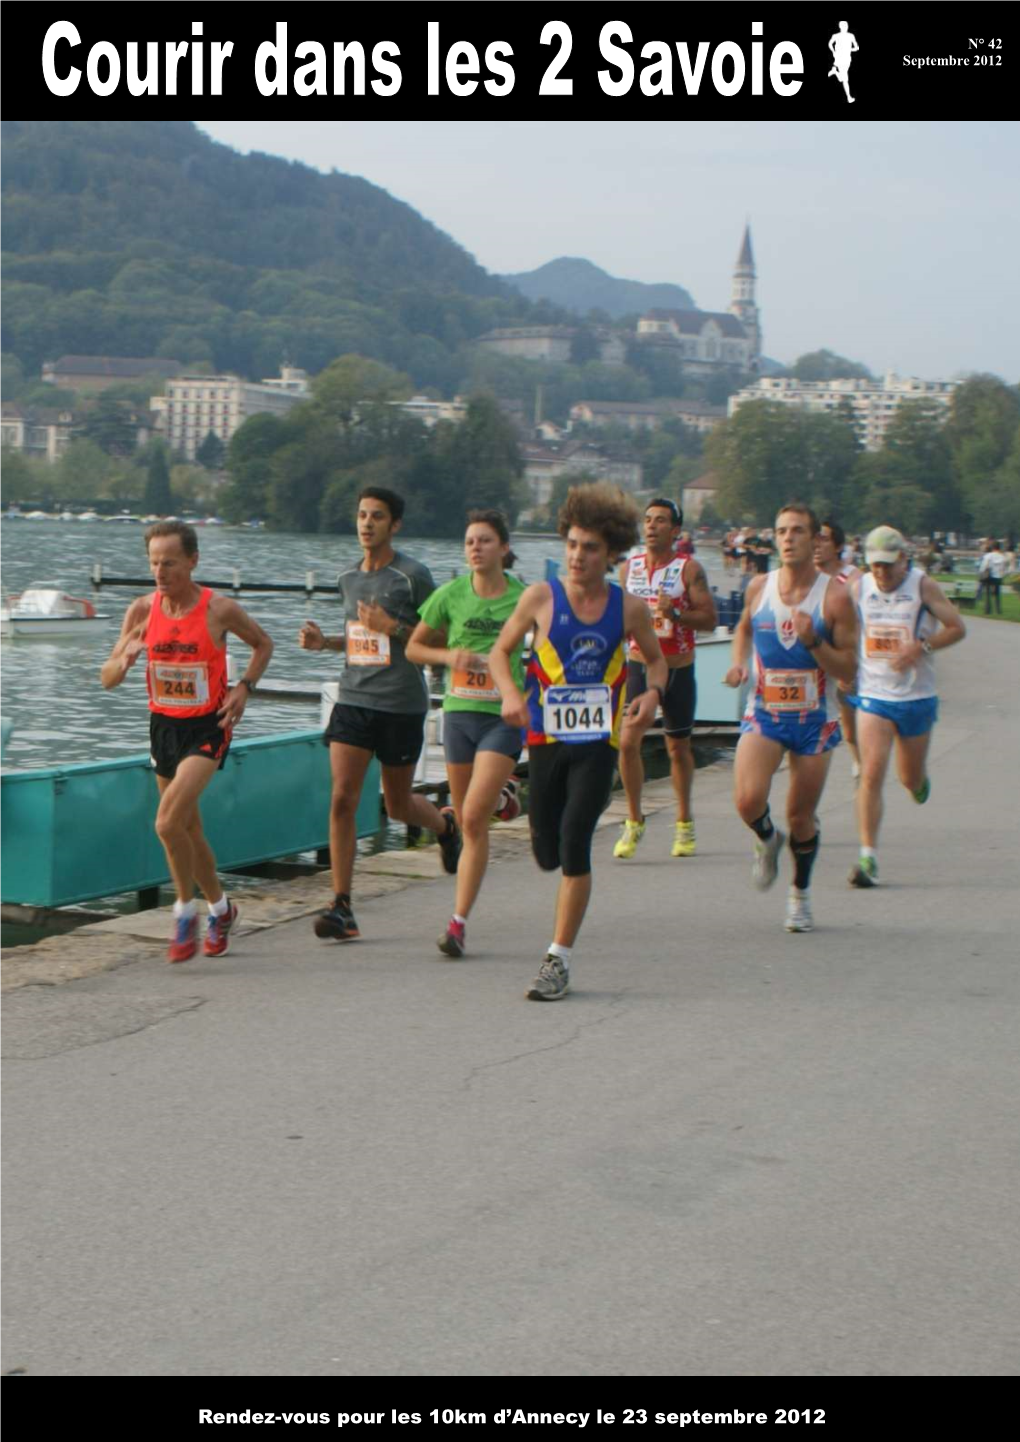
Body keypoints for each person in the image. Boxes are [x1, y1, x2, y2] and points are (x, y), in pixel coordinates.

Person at [489, 483, 667, 1000]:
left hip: (597, 743)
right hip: (545, 738)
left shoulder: (629, 608)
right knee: (545, 850)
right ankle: (520, 801)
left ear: (610, 554)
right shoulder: (540, 598)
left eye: (589, 548)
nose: (577, 556)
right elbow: (501, 653)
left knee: (574, 842)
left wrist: (653, 694)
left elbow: (656, 660)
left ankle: (557, 960)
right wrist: (509, 696)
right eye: (571, 544)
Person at [100, 522, 274, 962]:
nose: (160, 572)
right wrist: (125, 659)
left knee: (165, 823)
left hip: (208, 727)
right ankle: (221, 909)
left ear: (192, 561)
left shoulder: (219, 610)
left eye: (170, 563)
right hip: (164, 728)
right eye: (154, 562)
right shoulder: (141, 610)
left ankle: (183, 912)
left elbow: (263, 644)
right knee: (188, 829)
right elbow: (106, 680)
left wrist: (244, 688)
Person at [299, 487, 461, 943]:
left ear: (395, 525)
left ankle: (445, 826)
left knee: (397, 804)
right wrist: (324, 643)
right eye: (362, 516)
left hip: (400, 703)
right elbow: (357, 638)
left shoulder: (413, 577)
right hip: (353, 700)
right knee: (343, 799)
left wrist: (393, 627)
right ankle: (342, 905)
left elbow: (442, 640)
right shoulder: (347, 578)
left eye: (377, 517)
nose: (367, 524)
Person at [725, 502, 857, 933]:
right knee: (747, 801)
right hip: (764, 713)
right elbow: (744, 625)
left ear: (815, 539)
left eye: (797, 531)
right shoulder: (759, 586)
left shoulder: (835, 597)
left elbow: (849, 670)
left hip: (813, 720)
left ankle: (799, 895)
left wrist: (814, 641)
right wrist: (738, 662)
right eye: (781, 530)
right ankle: (767, 838)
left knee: (801, 816)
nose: (787, 538)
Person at [406, 510, 526, 959]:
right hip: (459, 714)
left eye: (485, 540)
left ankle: (457, 924)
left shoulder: (523, 598)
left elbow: (552, 644)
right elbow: (413, 646)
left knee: (472, 818)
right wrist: (449, 656)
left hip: (501, 717)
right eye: (470, 541)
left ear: (504, 548)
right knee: (467, 816)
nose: (475, 548)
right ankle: (501, 799)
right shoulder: (450, 595)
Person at [846, 526, 966, 888]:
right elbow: (848, 632)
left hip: (916, 698)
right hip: (874, 695)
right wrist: (843, 665)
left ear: (903, 559)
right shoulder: (860, 587)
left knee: (908, 778)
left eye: (887, 565)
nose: (881, 573)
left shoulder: (922, 585)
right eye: (875, 566)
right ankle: (868, 857)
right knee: (871, 773)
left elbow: (956, 627)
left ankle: (918, 782)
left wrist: (921, 647)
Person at [613, 498, 718, 861]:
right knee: (628, 741)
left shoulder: (689, 569)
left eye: (660, 521)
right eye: (647, 520)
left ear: (675, 531)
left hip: (678, 669)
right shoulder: (630, 568)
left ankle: (684, 822)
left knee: (677, 748)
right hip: (640, 665)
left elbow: (709, 619)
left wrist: (678, 614)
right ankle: (633, 820)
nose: (651, 526)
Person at [814, 518, 863, 780]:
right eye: (815, 538)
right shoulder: (806, 574)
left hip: (848, 652)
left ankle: (859, 760)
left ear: (838, 546)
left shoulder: (852, 578)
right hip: (818, 651)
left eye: (824, 539)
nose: (817, 544)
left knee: (849, 713)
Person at [978, 539, 1007, 615]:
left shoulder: (988, 556)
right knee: (997, 594)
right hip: (998, 577)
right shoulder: (1003, 557)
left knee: (987, 593)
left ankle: (987, 610)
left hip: (989, 576)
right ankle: (998, 610)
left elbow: (983, 567)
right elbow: (1003, 569)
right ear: (999, 548)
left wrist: (981, 574)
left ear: (992, 547)